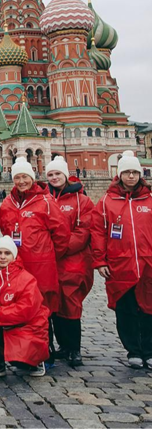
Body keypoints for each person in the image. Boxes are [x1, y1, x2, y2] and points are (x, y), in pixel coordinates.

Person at [0, 157, 69, 357]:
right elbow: (5, 232)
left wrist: (48, 255)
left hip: (41, 265)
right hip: (17, 265)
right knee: (20, 307)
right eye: (18, 177)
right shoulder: (7, 203)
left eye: (25, 177)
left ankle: (44, 349)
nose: (22, 181)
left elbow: (61, 234)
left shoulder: (46, 201)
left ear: (33, 178)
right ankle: (24, 351)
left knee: (42, 308)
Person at [92, 151, 152, 368]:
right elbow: (98, 232)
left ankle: (149, 350)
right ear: (119, 174)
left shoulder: (149, 199)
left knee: (148, 308)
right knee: (125, 309)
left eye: (135, 172)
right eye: (127, 172)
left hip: (148, 264)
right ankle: (133, 351)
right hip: (120, 264)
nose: (131, 176)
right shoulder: (107, 200)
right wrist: (100, 261)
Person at [0, 236, 51, 379]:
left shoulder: (26, 279)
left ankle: (35, 361)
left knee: (20, 363)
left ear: (14, 256)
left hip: (25, 326)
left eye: (7, 253)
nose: (2, 257)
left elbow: (25, 310)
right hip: (4, 324)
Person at [45, 156, 94, 367]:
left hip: (72, 261)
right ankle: (62, 346)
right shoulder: (44, 198)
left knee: (71, 305)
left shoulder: (81, 200)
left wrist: (61, 248)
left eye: (58, 174)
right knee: (53, 305)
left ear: (65, 175)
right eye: (51, 174)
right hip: (49, 261)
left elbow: (83, 230)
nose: (54, 177)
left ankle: (74, 349)